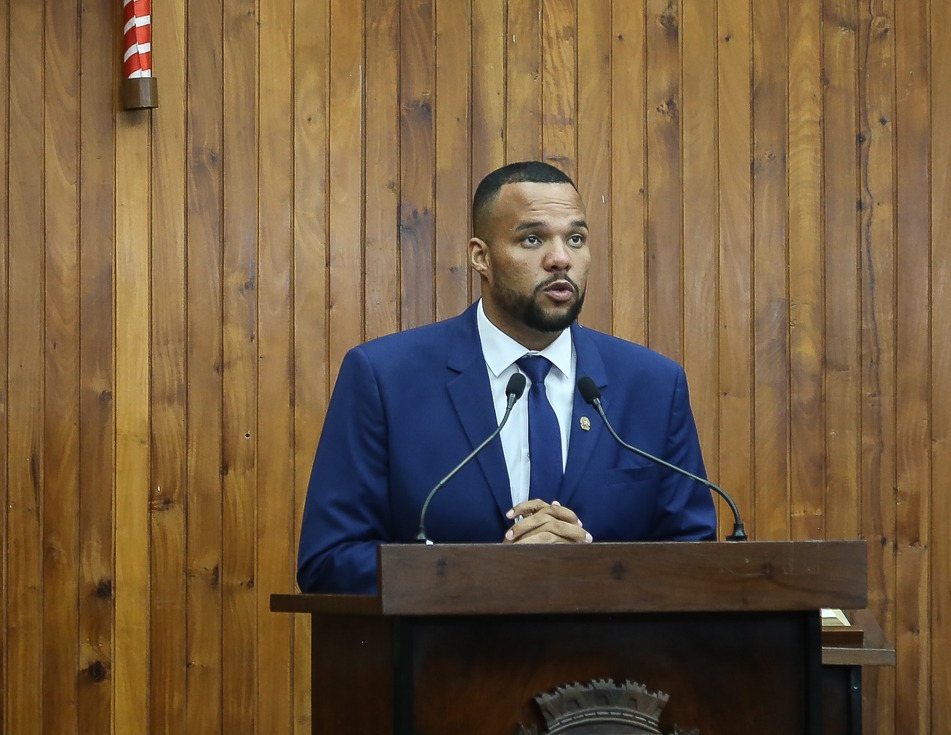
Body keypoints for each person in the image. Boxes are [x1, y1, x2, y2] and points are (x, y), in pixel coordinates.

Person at [297, 161, 716, 594]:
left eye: (575, 238)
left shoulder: (653, 385)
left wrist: (592, 562)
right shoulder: (385, 378)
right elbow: (329, 560)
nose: (560, 259)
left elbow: (695, 555)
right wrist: (489, 573)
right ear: (481, 257)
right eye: (532, 239)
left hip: (608, 660)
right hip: (443, 657)